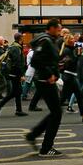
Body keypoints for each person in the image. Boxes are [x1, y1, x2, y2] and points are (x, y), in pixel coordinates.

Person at [25, 19, 63, 157]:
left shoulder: (50, 40)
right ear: (52, 28)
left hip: (46, 80)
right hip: (44, 80)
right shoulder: (45, 40)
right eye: (58, 30)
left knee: (55, 112)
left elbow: (50, 60)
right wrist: (49, 75)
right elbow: (35, 61)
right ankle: (46, 148)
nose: (60, 32)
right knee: (57, 113)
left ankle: (33, 135)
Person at [59, 34, 83, 122]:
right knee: (69, 97)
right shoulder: (67, 50)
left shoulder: (70, 49)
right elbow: (71, 63)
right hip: (69, 76)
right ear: (68, 41)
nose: (74, 40)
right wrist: (78, 55)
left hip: (71, 76)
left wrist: (80, 52)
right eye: (72, 39)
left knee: (76, 96)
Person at [0, 33, 28, 117]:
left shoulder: (13, 46)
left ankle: (18, 110)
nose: (23, 40)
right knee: (15, 92)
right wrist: (21, 74)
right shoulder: (16, 48)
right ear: (20, 39)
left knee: (17, 92)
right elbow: (17, 63)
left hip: (13, 73)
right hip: (15, 73)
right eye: (22, 38)